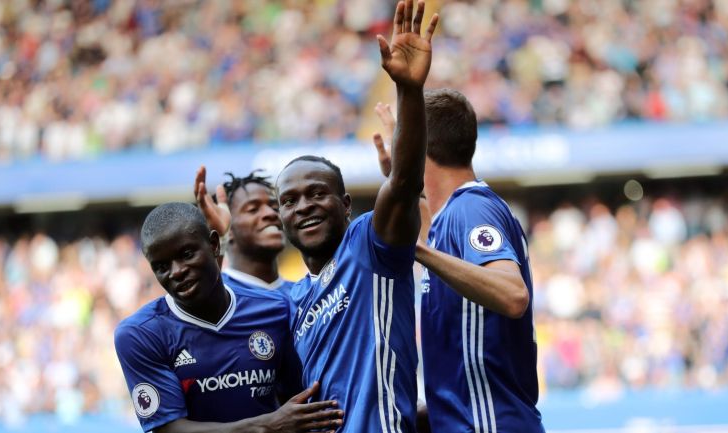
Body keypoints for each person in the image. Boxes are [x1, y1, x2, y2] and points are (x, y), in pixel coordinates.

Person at [275, 1, 438, 431]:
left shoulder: (370, 244)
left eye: (316, 193)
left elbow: (404, 183)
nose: (304, 206)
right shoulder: (290, 301)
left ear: (346, 206)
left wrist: (408, 89)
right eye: (290, 201)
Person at [373, 89, 545, 432]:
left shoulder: (471, 208)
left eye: (405, 140)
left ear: (420, 145)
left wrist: (416, 250)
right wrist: (401, 182)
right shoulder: (451, 215)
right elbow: (427, 227)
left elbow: (513, 295)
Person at [114, 202, 343, 433]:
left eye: (186, 254)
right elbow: (170, 430)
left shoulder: (275, 309)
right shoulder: (139, 334)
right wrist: (268, 426)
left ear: (214, 244)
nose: (176, 271)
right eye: (161, 266)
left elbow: (298, 399)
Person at [194, 168, 292, 292]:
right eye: (253, 209)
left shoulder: (305, 294)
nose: (271, 213)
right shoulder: (217, 296)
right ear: (228, 230)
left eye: (274, 207)